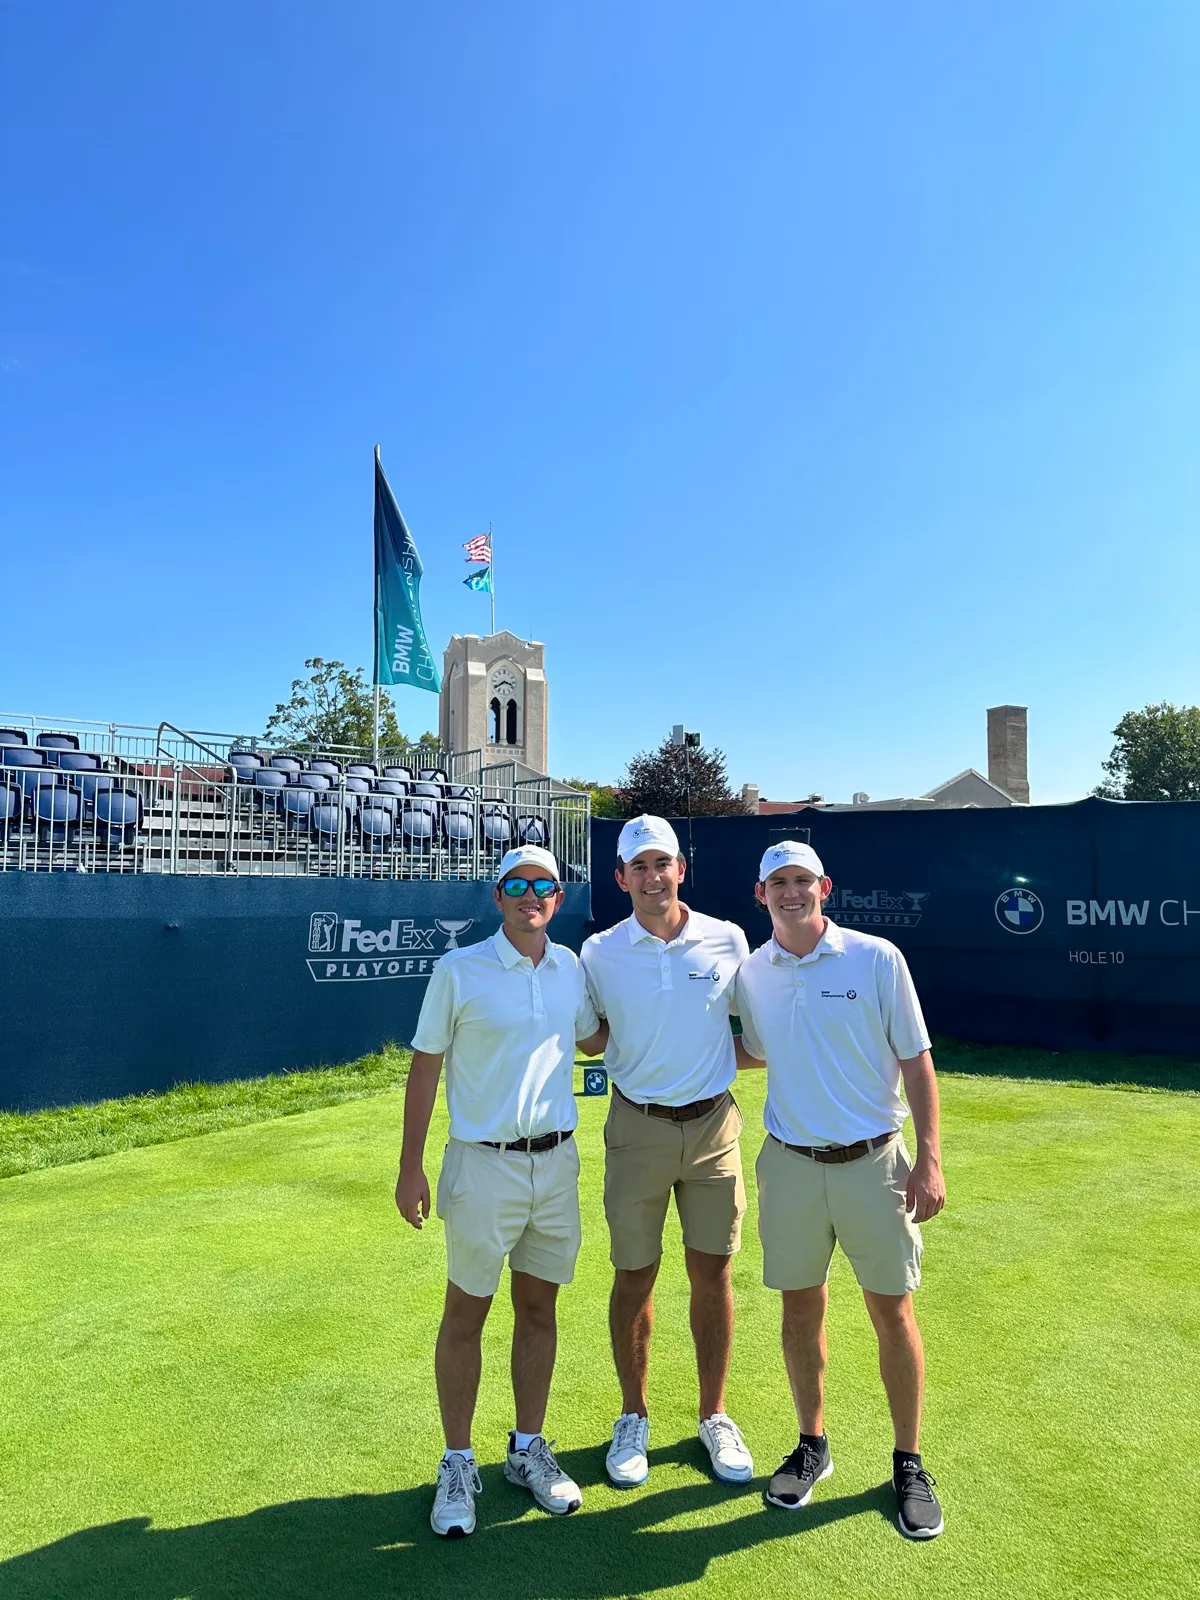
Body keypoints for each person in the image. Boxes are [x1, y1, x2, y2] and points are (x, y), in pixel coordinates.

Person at [733, 840, 946, 1540]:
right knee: (800, 1314)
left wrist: (930, 1160)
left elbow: (917, 1061)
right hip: (789, 1165)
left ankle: (909, 1462)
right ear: (760, 893)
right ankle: (812, 1444)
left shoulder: (876, 958)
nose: (791, 892)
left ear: (824, 886)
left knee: (892, 1314)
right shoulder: (753, 972)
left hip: (875, 1163)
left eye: (802, 880)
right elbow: (754, 1049)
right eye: (778, 883)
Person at [396, 844, 608, 1539]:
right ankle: (458, 1462)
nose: (530, 895)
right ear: (497, 897)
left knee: (539, 1308)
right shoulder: (461, 969)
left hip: (557, 1164)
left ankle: (526, 1449)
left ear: (557, 896)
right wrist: (410, 1166)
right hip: (482, 1164)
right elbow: (426, 1067)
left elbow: (591, 1040)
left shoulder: (571, 966)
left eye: (543, 885)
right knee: (467, 1312)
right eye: (516, 885)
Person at [580, 814, 753, 1490]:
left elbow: (760, 1030)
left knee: (713, 1276)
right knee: (634, 1276)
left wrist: (718, 1062)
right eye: (640, 867)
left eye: (664, 864)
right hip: (636, 1129)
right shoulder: (599, 952)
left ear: (682, 869)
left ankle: (714, 1415)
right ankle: (633, 1416)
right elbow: (591, 1038)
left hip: (714, 1130)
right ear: (621, 877)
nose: (654, 877)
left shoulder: (728, 939)